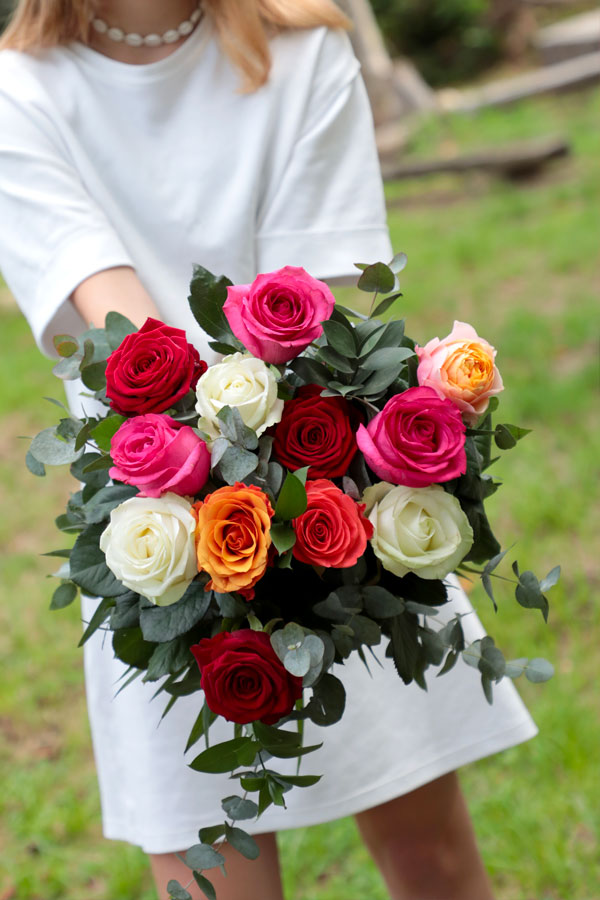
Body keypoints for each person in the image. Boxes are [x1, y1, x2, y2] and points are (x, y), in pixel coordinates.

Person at [0, 2, 538, 898]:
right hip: (155, 523)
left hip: (323, 495)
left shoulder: (302, 51)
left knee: (434, 862)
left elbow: (307, 307)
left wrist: (291, 484)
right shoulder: (20, 93)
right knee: (216, 883)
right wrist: (200, 492)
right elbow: (123, 323)